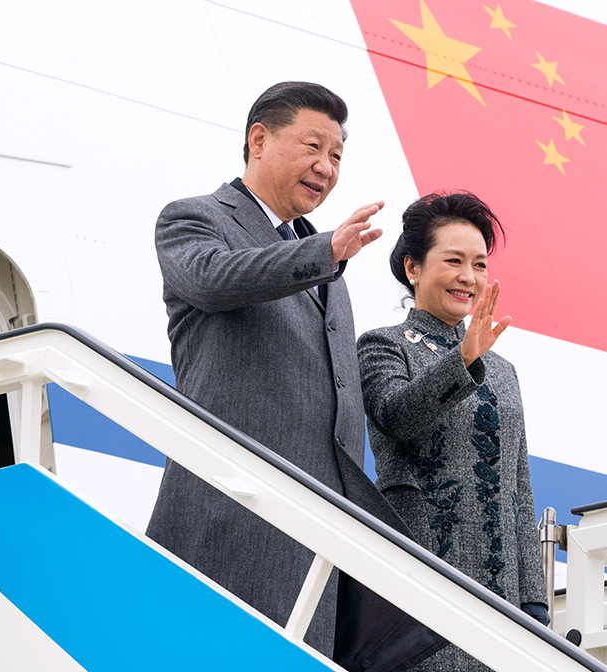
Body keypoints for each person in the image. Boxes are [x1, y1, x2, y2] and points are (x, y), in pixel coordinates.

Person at [146, 81, 427, 663]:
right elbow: (212, 278)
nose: (326, 167)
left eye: (337, 156)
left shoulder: (324, 258)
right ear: (259, 140)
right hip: (231, 508)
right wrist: (324, 254)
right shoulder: (195, 218)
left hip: (316, 528)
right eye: (313, 147)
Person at [357, 192, 549, 671]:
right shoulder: (383, 346)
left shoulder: (502, 369)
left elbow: (519, 485)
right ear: (413, 268)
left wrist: (534, 600)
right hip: (424, 572)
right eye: (454, 260)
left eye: (479, 265)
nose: (469, 277)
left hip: (501, 591)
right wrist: (462, 359)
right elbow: (397, 416)